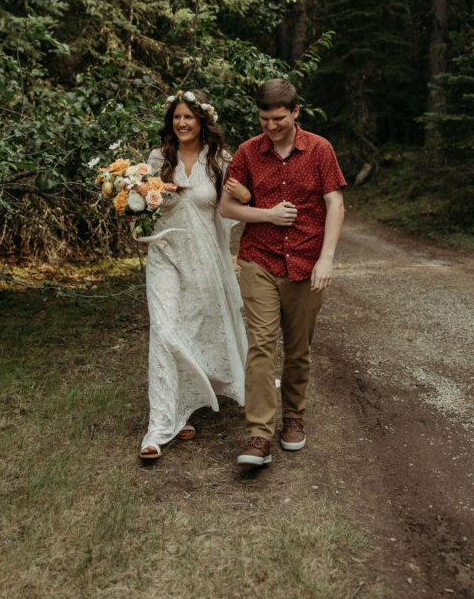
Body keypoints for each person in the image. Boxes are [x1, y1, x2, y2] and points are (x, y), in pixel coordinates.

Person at [218, 78, 346, 467]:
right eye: (263, 119)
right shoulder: (247, 152)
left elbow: (335, 204)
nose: (270, 127)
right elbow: (226, 207)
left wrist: (326, 259)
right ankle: (258, 434)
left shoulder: (320, 149)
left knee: (297, 347)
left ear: (295, 112)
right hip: (259, 258)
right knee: (260, 343)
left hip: (307, 263)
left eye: (278, 119)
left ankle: (294, 416)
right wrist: (267, 215)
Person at [139, 89, 251, 461]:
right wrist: (131, 203)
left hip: (205, 260)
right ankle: (159, 426)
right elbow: (141, 206)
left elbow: (235, 207)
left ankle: (186, 405)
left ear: (203, 120)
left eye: (189, 116)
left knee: (196, 329)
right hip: (165, 257)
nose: (182, 123)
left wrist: (246, 196)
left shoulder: (220, 160)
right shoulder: (157, 159)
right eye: (177, 117)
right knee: (165, 331)